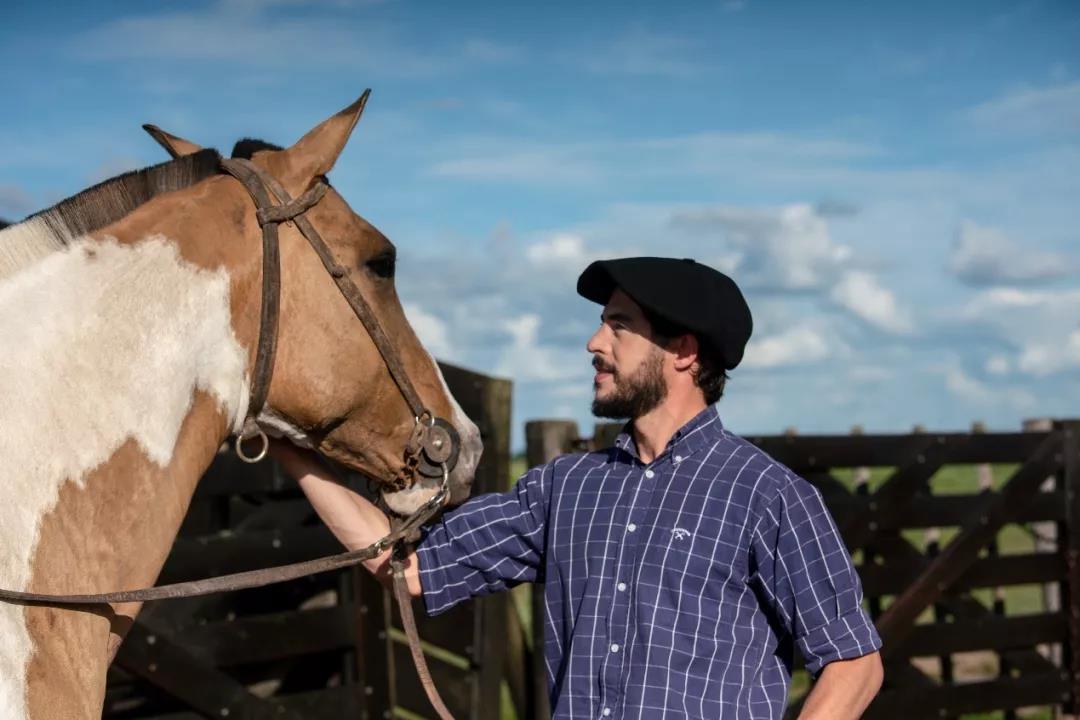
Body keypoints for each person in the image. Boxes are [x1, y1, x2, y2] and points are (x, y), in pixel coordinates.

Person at [273, 257, 883, 719]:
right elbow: (406, 567)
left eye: (619, 326)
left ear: (683, 351)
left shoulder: (768, 496)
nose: (595, 343)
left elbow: (854, 663)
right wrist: (286, 445)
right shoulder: (565, 488)